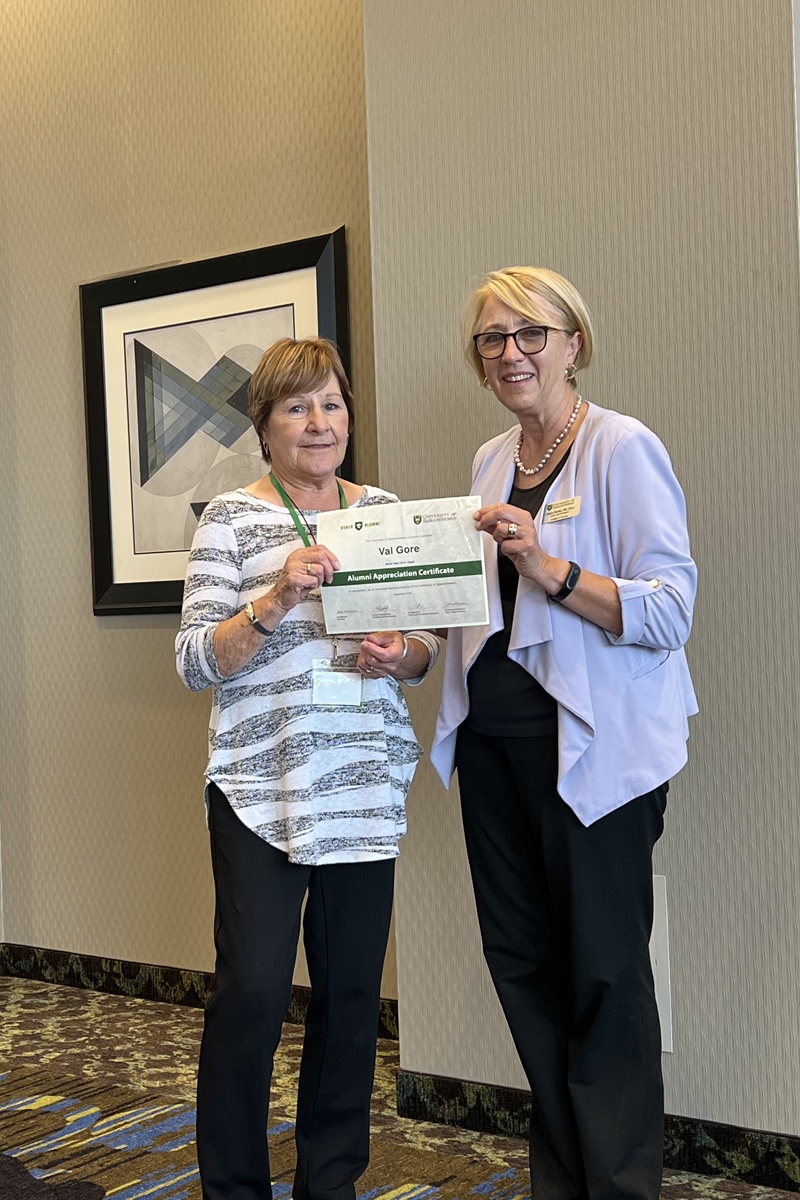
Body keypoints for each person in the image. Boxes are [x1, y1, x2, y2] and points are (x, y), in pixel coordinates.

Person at [430, 267, 698, 1200]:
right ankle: (564, 1182)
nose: (511, 354)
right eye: (492, 339)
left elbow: (671, 609)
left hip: (593, 754)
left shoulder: (622, 447)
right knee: (524, 968)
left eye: (530, 333)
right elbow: (478, 608)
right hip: (495, 752)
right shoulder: (489, 459)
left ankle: (619, 1187)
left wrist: (551, 568)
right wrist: (410, 637)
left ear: (573, 343)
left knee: (605, 978)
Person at [176, 336, 439, 1200]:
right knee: (252, 994)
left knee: (352, 999)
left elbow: (424, 645)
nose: (319, 422)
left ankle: (330, 1184)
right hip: (263, 788)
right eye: (296, 407)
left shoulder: (383, 512)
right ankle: (235, 1188)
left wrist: (402, 653)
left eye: (331, 403)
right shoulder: (230, 518)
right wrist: (278, 596)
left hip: (363, 783)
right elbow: (194, 661)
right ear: (265, 426)